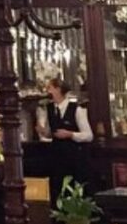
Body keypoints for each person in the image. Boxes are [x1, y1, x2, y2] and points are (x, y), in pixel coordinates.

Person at [36, 78, 92, 209]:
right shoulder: (50, 109)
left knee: (73, 190)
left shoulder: (76, 109)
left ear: (58, 89)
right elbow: (51, 133)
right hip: (57, 157)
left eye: (50, 88)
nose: (48, 91)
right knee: (58, 189)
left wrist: (70, 134)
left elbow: (89, 135)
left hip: (74, 158)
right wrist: (43, 131)